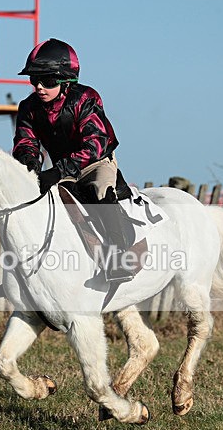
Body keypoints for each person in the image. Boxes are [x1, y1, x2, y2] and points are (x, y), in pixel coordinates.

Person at [12, 38, 133, 283]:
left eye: (47, 81)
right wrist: (31, 166)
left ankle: (120, 259)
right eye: (34, 81)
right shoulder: (28, 107)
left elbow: (94, 144)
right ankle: (24, 274)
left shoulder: (86, 98)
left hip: (97, 163)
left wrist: (58, 171)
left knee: (101, 192)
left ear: (66, 82)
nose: (39, 87)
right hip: (60, 167)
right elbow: (26, 142)